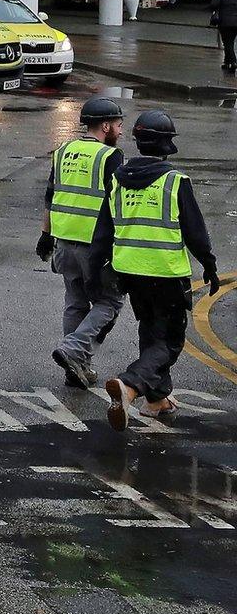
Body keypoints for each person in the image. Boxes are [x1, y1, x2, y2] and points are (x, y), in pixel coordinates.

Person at [95, 110, 220, 430]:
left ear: (137, 141)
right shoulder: (175, 181)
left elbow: (104, 229)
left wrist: (98, 267)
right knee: (171, 340)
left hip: (130, 272)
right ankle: (130, 385)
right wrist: (208, 263)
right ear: (167, 145)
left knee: (151, 331)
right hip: (165, 273)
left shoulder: (118, 180)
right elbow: (195, 230)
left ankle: (156, 399)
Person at [36, 97, 126, 388]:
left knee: (75, 302)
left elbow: (50, 195)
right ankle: (74, 350)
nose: (121, 132)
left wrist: (46, 234)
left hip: (64, 242)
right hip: (94, 245)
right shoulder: (109, 157)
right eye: (118, 125)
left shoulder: (63, 151)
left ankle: (76, 369)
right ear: (105, 125)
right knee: (109, 301)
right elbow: (116, 204)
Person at [211, 0, 237, 75]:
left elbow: (213, 4)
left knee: (227, 43)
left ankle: (233, 61)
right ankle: (227, 62)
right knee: (231, 42)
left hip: (225, 21)